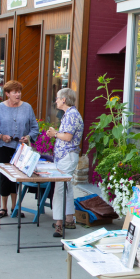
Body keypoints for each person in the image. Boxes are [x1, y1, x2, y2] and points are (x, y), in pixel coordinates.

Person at [0, 80, 39, 219]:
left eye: (19, 91)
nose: (18, 94)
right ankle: (3, 207)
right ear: (7, 94)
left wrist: (28, 137)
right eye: (14, 92)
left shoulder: (27, 107)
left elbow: (35, 127)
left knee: (17, 176)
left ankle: (15, 206)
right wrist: (1, 136)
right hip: (3, 146)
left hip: (20, 147)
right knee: (5, 175)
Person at [47, 88, 84, 237]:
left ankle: (59, 224)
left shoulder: (71, 115)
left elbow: (68, 137)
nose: (55, 101)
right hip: (66, 156)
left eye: (57, 98)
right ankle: (69, 219)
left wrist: (54, 133)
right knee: (66, 187)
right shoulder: (70, 114)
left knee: (60, 189)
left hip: (67, 156)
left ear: (64, 99)